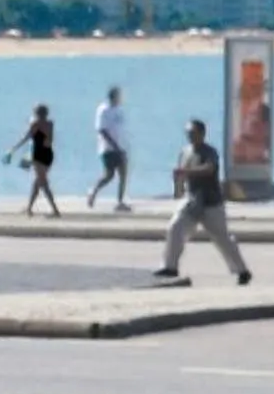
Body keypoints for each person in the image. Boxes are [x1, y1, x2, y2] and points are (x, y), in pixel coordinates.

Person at [151, 118, 251, 284]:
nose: (190, 136)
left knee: (222, 238)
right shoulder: (185, 152)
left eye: (194, 133)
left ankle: (242, 270)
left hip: (211, 203)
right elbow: (180, 176)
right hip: (192, 201)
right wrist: (178, 188)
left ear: (202, 134)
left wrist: (185, 171)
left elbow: (208, 168)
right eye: (188, 133)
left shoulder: (209, 152)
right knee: (175, 228)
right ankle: (170, 266)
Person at [5, 102, 58, 217]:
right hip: (48, 154)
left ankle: (55, 210)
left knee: (43, 183)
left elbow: (26, 137)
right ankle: (29, 208)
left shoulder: (35, 124)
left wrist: (13, 149)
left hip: (38, 155)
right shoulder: (50, 124)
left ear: (36, 113)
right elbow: (48, 139)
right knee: (38, 182)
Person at [88, 84, 130, 210]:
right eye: (118, 96)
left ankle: (120, 201)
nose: (120, 98)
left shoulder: (119, 110)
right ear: (113, 96)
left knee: (123, 173)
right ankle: (93, 191)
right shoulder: (104, 109)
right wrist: (114, 145)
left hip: (121, 147)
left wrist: (124, 146)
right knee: (109, 175)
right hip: (108, 148)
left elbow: (121, 129)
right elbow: (102, 130)